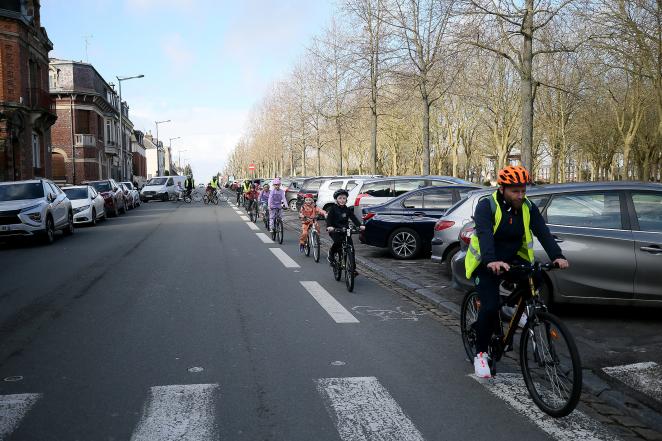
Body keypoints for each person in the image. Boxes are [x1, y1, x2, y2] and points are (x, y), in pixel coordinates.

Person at [465, 165, 569, 379]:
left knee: (538, 275)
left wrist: (557, 256)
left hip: (512, 260)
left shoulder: (528, 207)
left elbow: (543, 232)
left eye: (523, 190)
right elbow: (484, 234)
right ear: (502, 189)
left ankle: (517, 312)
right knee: (490, 305)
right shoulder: (487, 206)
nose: (520, 195)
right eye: (515, 191)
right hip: (485, 262)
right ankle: (481, 354)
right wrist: (491, 260)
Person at [325, 189, 365, 264]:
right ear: (336, 199)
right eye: (340, 198)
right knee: (338, 242)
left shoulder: (347, 209)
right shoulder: (333, 209)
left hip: (346, 230)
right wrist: (329, 226)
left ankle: (353, 269)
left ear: (346, 199)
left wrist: (360, 226)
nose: (342, 200)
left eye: (344, 198)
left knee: (351, 247)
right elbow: (329, 219)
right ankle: (331, 254)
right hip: (335, 230)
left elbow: (353, 218)